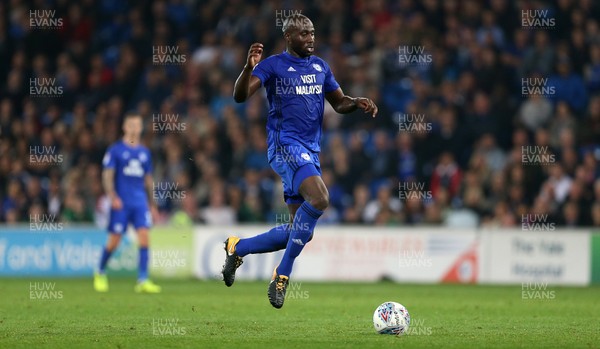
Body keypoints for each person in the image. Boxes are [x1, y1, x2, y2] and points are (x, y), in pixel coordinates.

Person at [224, 14, 378, 309]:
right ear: (289, 37)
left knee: (299, 233)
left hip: (309, 150)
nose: (311, 38)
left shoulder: (321, 66)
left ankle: (237, 248)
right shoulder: (273, 65)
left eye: (312, 33)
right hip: (284, 146)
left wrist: (356, 102)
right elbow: (240, 96)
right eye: (304, 34)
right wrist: (247, 68)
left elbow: (339, 101)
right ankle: (282, 275)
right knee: (320, 198)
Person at [93, 113, 161, 293]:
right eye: (130, 124)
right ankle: (100, 271)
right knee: (114, 240)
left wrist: (152, 205)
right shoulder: (115, 150)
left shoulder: (144, 152)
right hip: (121, 203)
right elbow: (107, 175)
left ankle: (143, 280)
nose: (134, 128)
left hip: (139, 203)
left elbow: (148, 180)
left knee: (145, 237)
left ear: (140, 128)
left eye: (137, 125)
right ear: (124, 127)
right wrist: (112, 196)